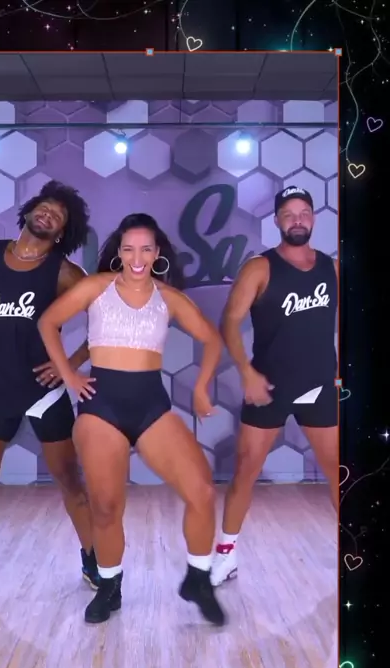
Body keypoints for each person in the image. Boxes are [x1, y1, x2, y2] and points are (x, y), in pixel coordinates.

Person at [38, 213, 227, 627]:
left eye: (145, 249)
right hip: (101, 406)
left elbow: (212, 339)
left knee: (202, 491)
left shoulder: (169, 297)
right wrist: (69, 375)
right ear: (119, 252)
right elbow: (47, 322)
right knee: (106, 506)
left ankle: (198, 579)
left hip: (151, 406)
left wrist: (201, 387)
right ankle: (110, 586)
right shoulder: (96, 287)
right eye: (128, 249)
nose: (137, 258)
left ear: (157, 253)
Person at [0, 181, 100, 589]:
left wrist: (69, 365)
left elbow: (107, 319)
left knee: (71, 483)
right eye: (45, 206)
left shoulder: (65, 272)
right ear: (28, 211)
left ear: (62, 232)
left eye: (59, 215)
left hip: (45, 393)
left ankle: (94, 560)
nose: (48, 213)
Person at [212, 186, 338, 586]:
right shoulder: (259, 268)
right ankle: (225, 555)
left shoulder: (333, 268)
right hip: (269, 387)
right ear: (277, 221)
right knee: (245, 472)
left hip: (320, 385)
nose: (297, 220)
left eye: (304, 213)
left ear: (313, 217)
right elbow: (230, 321)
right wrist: (246, 372)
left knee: (341, 473)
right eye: (289, 214)